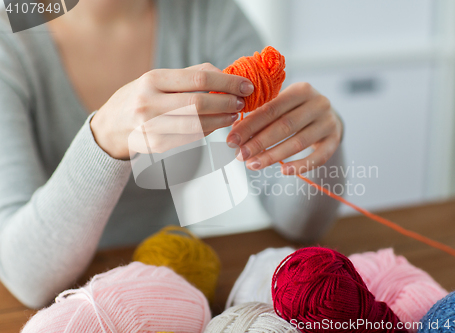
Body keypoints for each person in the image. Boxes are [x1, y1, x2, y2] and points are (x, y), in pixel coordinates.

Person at [0, 0, 345, 308]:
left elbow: (301, 223)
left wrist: (313, 146)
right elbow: (27, 277)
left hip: (170, 287)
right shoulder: (10, 35)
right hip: (62, 309)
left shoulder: (208, 14)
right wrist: (103, 138)